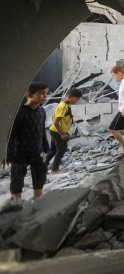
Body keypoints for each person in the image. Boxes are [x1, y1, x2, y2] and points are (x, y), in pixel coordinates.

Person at [2, 82, 50, 212]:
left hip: (37, 151)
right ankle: (16, 202)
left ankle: (38, 199)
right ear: (29, 94)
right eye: (41, 93)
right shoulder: (20, 112)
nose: (44, 96)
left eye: (46, 93)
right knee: (17, 177)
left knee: (40, 174)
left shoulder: (42, 111)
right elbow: (11, 135)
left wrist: (46, 147)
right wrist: (9, 154)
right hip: (20, 153)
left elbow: (41, 132)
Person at [47, 88, 83, 174]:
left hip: (55, 130)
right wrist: (62, 134)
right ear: (69, 97)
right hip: (58, 131)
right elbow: (56, 122)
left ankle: (43, 167)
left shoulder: (65, 105)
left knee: (53, 150)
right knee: (61, 150)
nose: (77, 101)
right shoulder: (63, 107)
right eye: (76, 99)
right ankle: (54, 169)